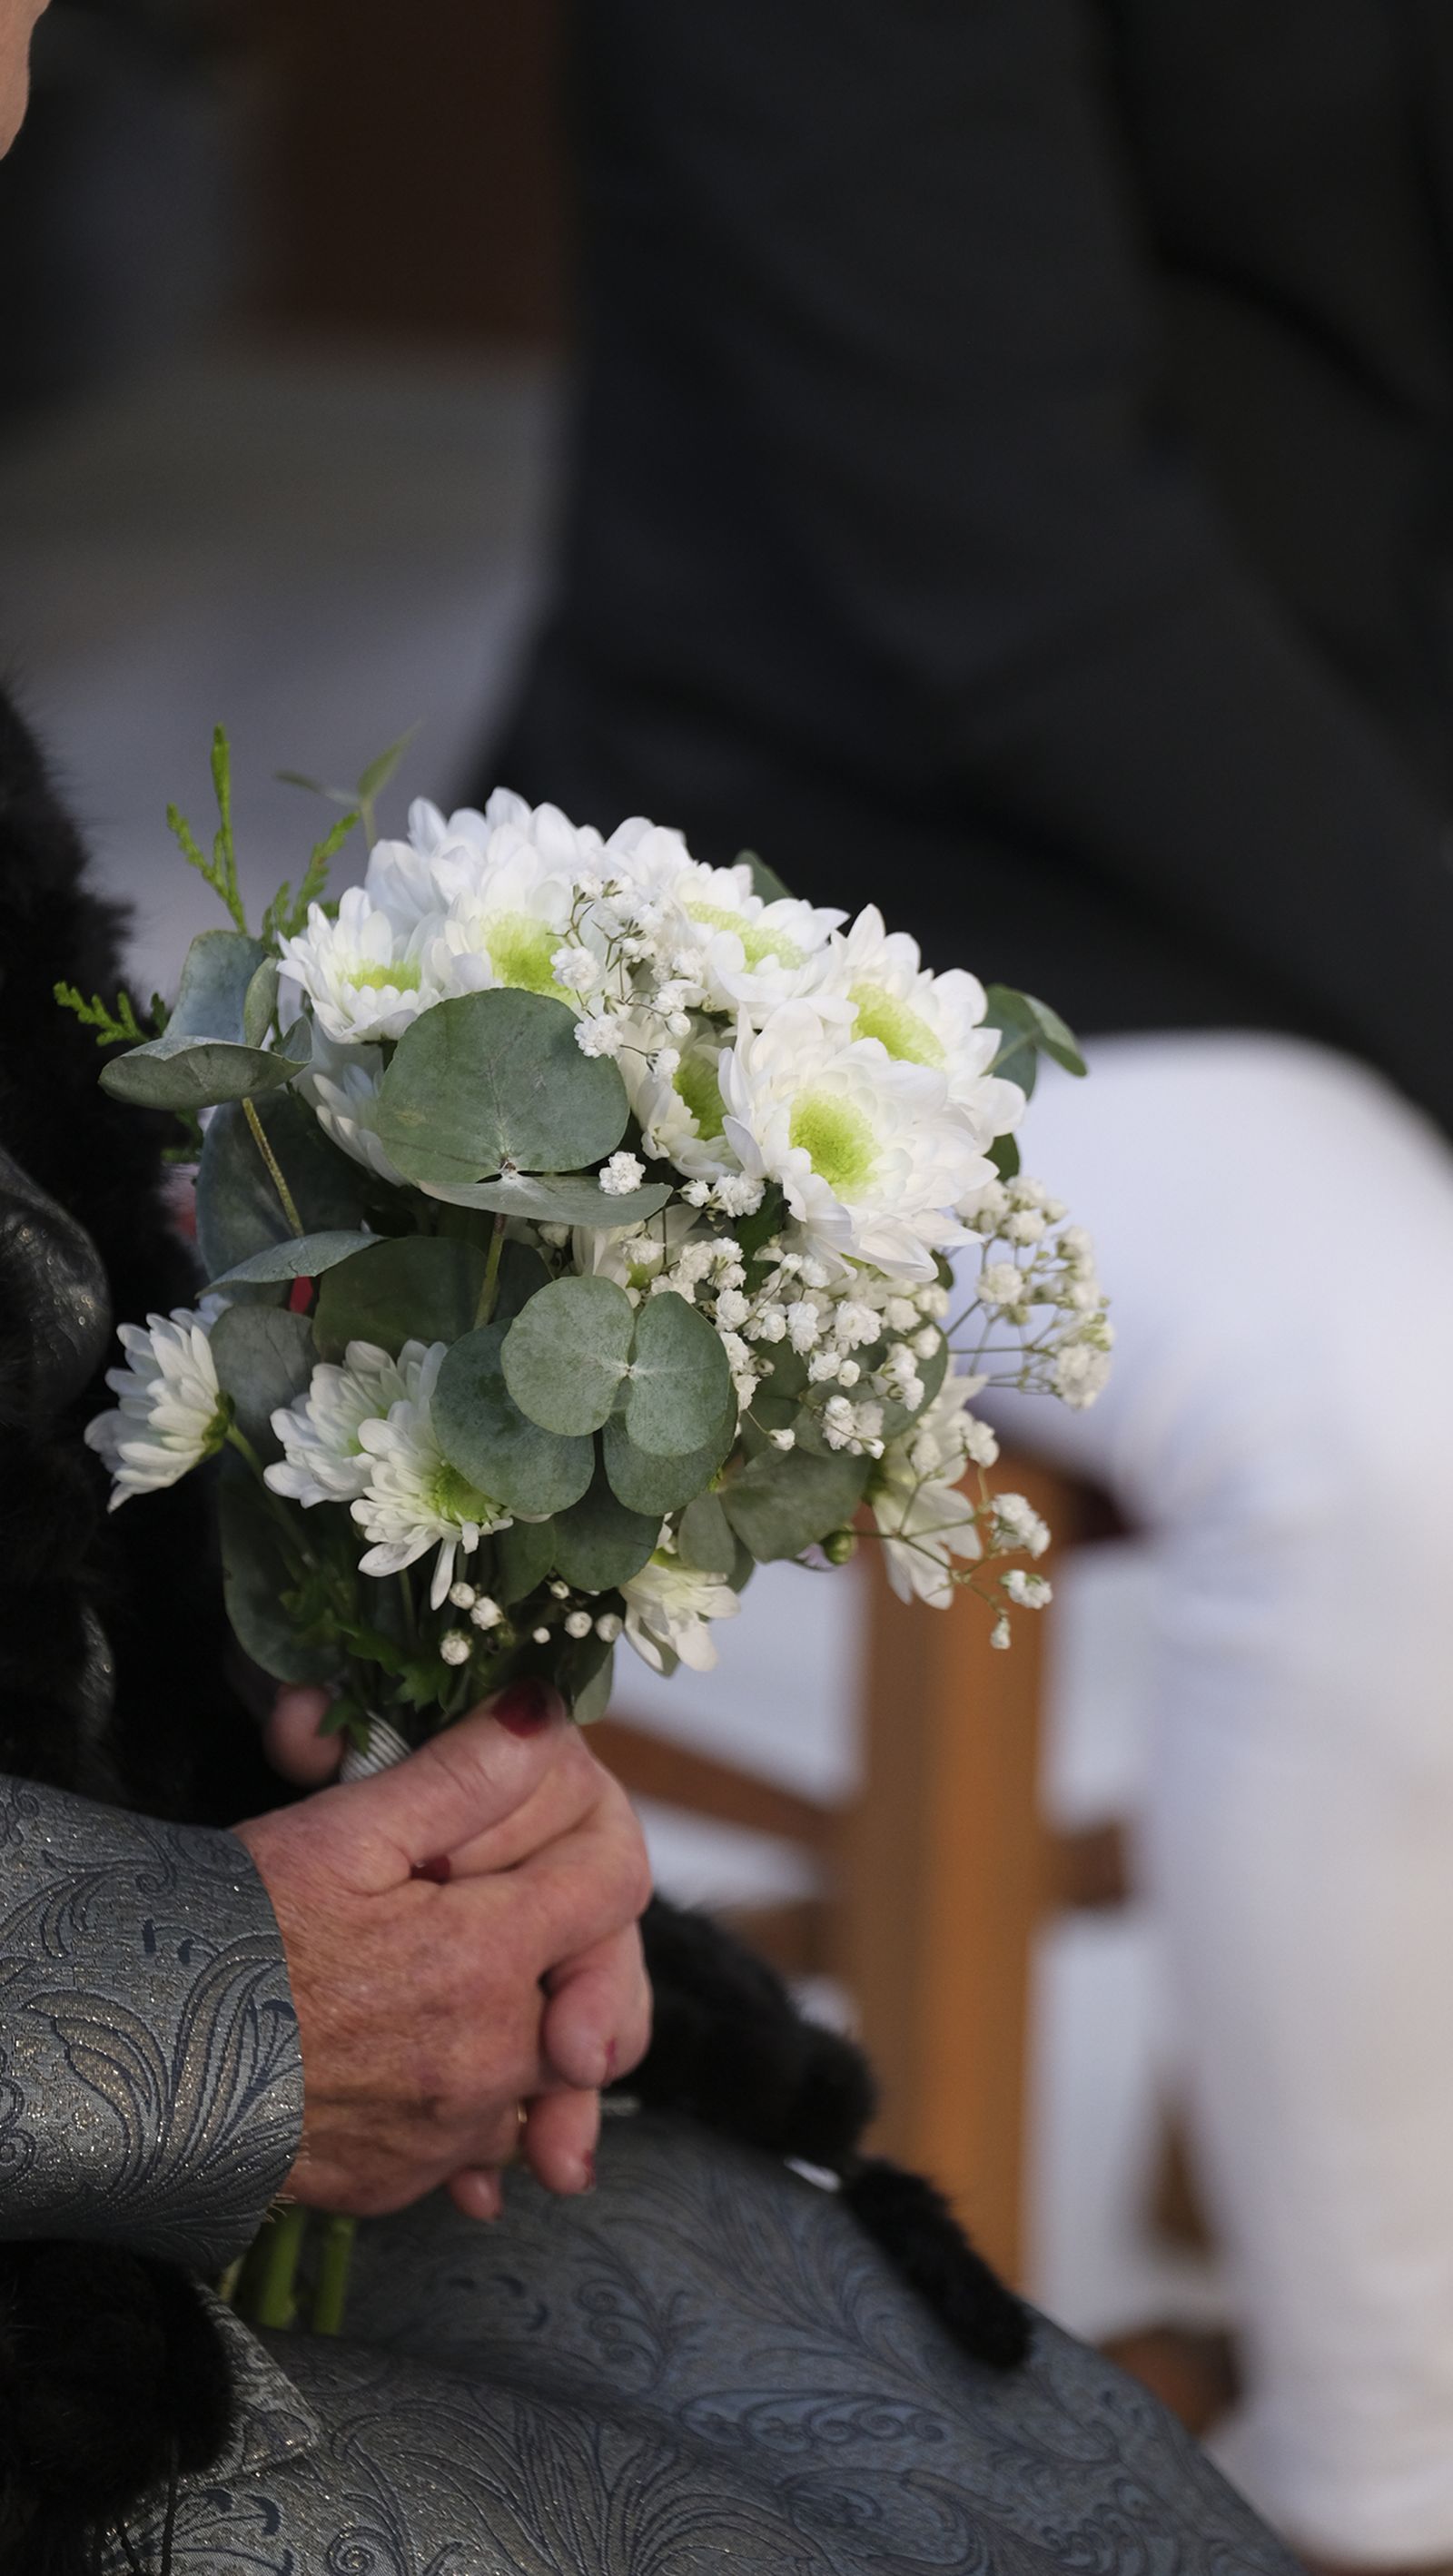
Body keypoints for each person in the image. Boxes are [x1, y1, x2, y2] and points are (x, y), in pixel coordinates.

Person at [487, 3, 1453, 2566]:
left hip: (1350, 846)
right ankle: (1382, 2488)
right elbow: (1015, 573)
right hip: (889, 909)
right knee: (1400, 1417)